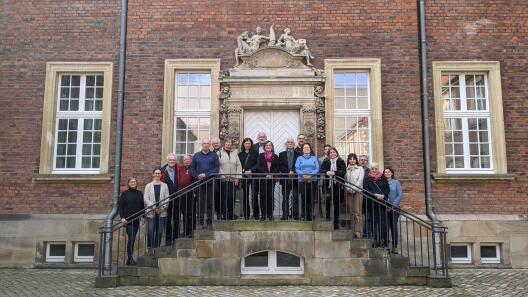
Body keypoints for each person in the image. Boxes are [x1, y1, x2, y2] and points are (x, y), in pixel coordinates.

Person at [190, 138, 220, 228]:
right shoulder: (196, 155)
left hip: (210, 182)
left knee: (210, 203)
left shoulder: (214, 156)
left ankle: (210, 222)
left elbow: (216, 169)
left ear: (210, 145)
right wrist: (197, 175)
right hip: (199, 182)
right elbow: (192, 168)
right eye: (204, 143)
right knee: (200, 203)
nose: (206, 145)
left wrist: (206, 175)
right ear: (202, 145)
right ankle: (200, 222)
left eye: (208, 143)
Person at [362, 162, 390, 248]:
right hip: (371, 204)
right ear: (370, 169)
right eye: (373, 169)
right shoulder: (367, 179)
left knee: (382, 223)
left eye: (376, 168)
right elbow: (366, 190)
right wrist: (375, 195)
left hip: (381, 204)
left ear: (378, 169)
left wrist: (383, 195)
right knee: (373, 223)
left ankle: (381, 241)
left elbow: (387, 189)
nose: (374, 170)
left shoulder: (383, 178)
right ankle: (374, 241)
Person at [118, 177, 144, 265]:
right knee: (131, 238)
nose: (133, 183)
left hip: (136, 220)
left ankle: (129, 259)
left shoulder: (140, 193)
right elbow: (120, 206)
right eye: (131, 182)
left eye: (134, 181)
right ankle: (130, 259)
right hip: (128, 220)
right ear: (128, 183)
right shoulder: (125, 194)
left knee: (132, 239)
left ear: (136, 183)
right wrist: (122, 218)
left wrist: (143, 217)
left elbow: (142, 207)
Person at [144, 167, 169, 255]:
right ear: (153, 174)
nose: (157, 175)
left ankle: (156, 247)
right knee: (151, 230)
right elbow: (146, 199)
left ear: (161, 175)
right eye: (156, 173)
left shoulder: (165, 185)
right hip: (151, 212)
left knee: (159, 231)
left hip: (162, 212)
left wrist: (163, 208)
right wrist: (154, 208)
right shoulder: (148, 185)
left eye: (159, 173)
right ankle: (150, 247)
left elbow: (167, 198)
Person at [320, 147, 347, 229]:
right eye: (330, 152)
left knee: (337, 204)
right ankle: (328, 217)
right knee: (327, 199)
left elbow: (343, 172)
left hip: (338, 185)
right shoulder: (326, 161)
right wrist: (326, 172)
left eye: (334, 152)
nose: (332, 153)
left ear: (336, 153)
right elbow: (321, 170)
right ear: (328, 154)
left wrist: (334, 172)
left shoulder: (341, 161)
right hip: (328, 185)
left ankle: (336, 222)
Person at [218, 137, 242, 220]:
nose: (228, 144)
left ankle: (231, 214)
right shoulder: (219, 153)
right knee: (224, 198)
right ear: (224, 143)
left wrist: (238, 178)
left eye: (230, 142)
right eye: (227, 142)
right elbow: (218, 165)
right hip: (223, 179)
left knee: (232, 197)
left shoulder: (235, 152)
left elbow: (238, 165)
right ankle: (224, 215)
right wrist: (221, 174)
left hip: (233, 179)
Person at [256, 140, 280, 221]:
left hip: (271, 180)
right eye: (266, 145)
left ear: (272, 147)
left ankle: (270, 214)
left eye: (270, 145)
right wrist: (266, 174)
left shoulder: (275, 156)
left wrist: (271, 174)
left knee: (270, 197)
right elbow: (258, 166)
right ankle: (263, 214)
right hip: (263, 179)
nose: (268, 146)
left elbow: (277, 167)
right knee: (262, 197)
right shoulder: (260, 156)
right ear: (264, 147)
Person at [295, 143, 319, 221]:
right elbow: (297, 168)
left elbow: (317, 168)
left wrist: (310, 176)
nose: (306, 149)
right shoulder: (299, 158)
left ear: (310, 149)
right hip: (302, 180)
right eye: (305, 148)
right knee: (304, 198)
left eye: (308, 147)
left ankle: (310, 215)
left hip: (313, 180)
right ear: (302, 150)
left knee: (312, 198)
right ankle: (304, 215)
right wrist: (304, 176)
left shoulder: (314, 158)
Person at [278, 137, 301, 220]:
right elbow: (280, 166)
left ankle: (295, 215)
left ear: (294, 144)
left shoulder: (299, 154)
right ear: (286, 144)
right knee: (285, 198)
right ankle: (285, 215)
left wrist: (293, 171)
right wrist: (288, 172)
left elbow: (299, 165)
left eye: (291, 142)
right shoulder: (281, 154)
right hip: (285, 178)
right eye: (288, 142)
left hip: (295, 179)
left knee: (295, 197)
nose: (290, 143)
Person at [238, 137, 259, 220]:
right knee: (245, 196)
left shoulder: (255, 153)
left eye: (249, 143)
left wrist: (251, 170)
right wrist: (244, 171)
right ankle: (246, 214)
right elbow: (239, 165)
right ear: (243, 144)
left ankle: (256, 214)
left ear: (251, 145)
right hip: (244, 177)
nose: (247, 145)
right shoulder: (240, 154)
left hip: (253, 176)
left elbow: (258, 164)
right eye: (246, 143)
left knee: (254, 195)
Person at [345, 153, 365, 238]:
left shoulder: (360, 169)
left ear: (356, 160)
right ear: (348, 160)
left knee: (358, 213)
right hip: (348, 192)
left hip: (358, 192)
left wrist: (354, 189)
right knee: (351, 212)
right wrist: (348, 188)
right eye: (350, 159)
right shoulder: (346, 169)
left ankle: (359, 232)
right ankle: (352, 231)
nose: (352, 160)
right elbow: (344, 180)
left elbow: (360, 180)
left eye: (353, 159)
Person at [161, 153, 179, 246]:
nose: (172, 161)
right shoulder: (162, 170)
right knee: (167, 219)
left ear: (175, 161)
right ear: (167, 161)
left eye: (173, 160)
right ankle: (168, 239)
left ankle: (175, 237)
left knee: (176, 218)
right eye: (170, 160)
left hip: (177, 197)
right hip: (167, 198)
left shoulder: (179, 169)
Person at [384, 167, 403, 254]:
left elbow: (400, 195)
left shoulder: (396, 182)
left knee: (393, 226)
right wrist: (386, 204)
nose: (387, 173)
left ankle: (394, 246)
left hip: (395, 207)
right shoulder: (382, 182)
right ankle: (386, 245)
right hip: (384, 206)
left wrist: (392, 205)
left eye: (388, 172)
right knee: (385, 226)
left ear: (392, 173)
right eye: (385, 172)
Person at [177, 155, 195, 238]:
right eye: (184, 160)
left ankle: (191, 231)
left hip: (191, 194)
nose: (186, 161)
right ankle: (185, 231)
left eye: (187, 159)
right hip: (182, 194)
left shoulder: (193, 167)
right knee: (184, 213)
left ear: (191, 160)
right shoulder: (181, 169)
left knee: (191, 213)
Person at [211, 137, 223, 218]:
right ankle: (218, 212)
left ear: (220, 143)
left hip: (224, 177)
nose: (215, 144)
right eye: (214, 143)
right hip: (215, 177)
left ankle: (224, 212)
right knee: (216, 196)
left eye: (217, 143)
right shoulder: (211, 153)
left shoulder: (224, 152)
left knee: (224, 195)